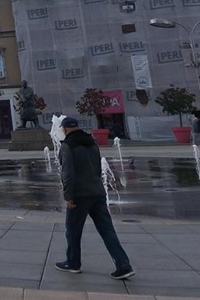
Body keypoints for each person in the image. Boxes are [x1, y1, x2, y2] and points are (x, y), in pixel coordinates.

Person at [55, 117, 135, 280]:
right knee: (107, 230)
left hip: (79, 195)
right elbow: (98, 168)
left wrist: (68, 196)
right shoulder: (91, 143)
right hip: (97, 193)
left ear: (64, 129)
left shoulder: (67, 146)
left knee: (73, 230)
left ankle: (73, 262)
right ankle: (123, 265)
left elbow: (67, 174)